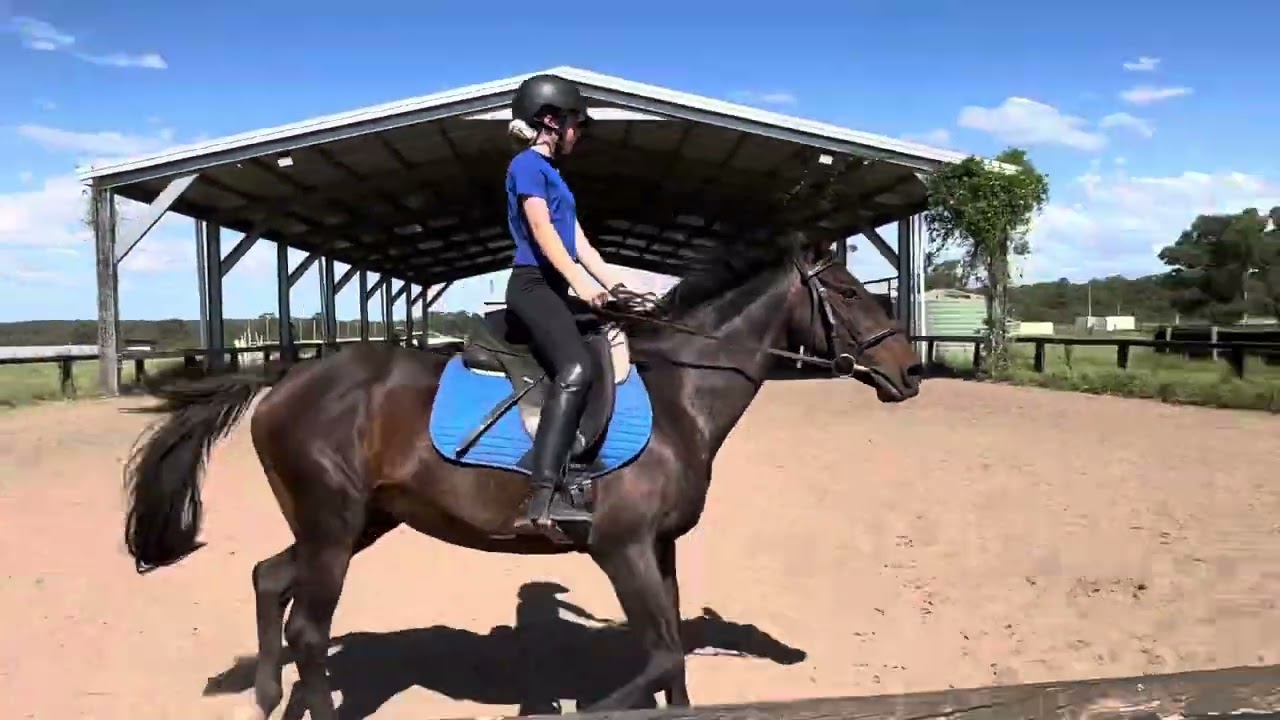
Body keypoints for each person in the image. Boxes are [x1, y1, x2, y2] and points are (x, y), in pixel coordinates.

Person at [502, 73, 646, 534]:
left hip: (555, 285)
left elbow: (585, 248)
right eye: (575, 124)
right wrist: (582, 287)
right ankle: (542, 496)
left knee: (606, 342)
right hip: (531, 286)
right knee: (576, 367)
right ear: (550, 120)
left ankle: (586, 459)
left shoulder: (557, 179)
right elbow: (543, 234)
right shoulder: (526, 165)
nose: (578, 133)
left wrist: (629, 293)